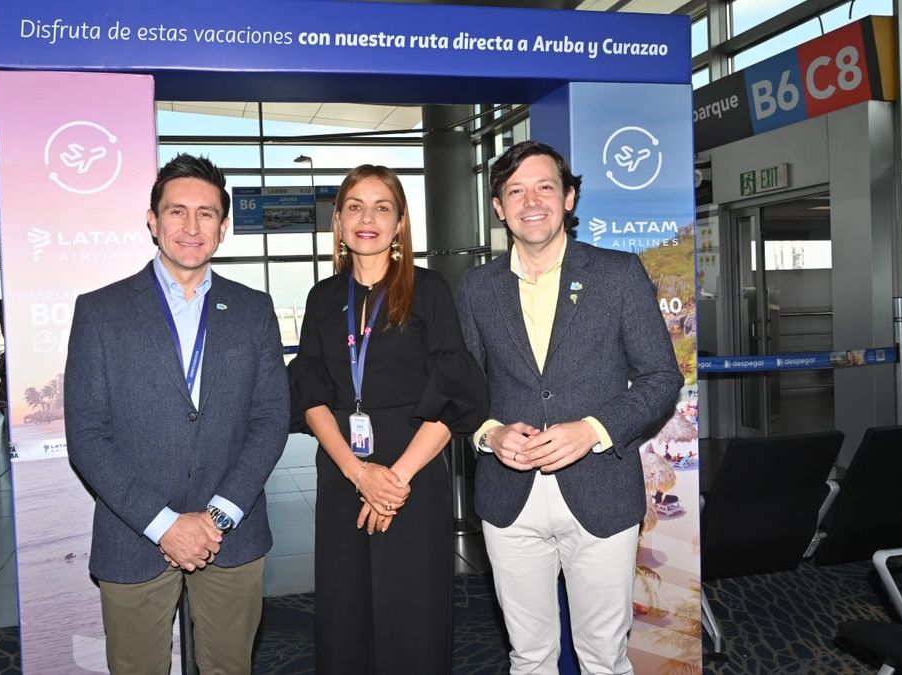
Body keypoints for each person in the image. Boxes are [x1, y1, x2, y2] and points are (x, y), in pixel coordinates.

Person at [456, 141, 682, 675]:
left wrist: (595, 429)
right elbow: (463, 389)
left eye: (544, 187)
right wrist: (489, 432)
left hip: (601, 487)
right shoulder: (476, 287)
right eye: (515, 191)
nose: (530, 201)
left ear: (570, 197)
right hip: (509, 497)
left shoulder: (619, 274)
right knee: (529, 656)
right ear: (498, 206)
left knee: (604, 656)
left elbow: (661, 377)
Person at [65, 153, 289, 674]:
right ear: (152, 220)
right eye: (177, 211)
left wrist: (217, 516)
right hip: (133, 533)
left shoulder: (253, 309)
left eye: (206, 213)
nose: (191, 227)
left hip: (231, 533)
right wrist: (164, 524)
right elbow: (87, 435)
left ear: (224, 226)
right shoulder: (100, 311)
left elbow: (272, 418)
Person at [288, 164, 488, 675]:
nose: (367, 218)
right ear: (338, 220)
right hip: (341, 469)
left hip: (413, 469)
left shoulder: (430, 289)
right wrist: (360, 475)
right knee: (344, 611)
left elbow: (453, 396)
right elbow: (311, 394)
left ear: (400, 222)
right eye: (354, 206)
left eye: (382, 207)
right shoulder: (322, 297)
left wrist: (393, 480)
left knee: (412, 614)